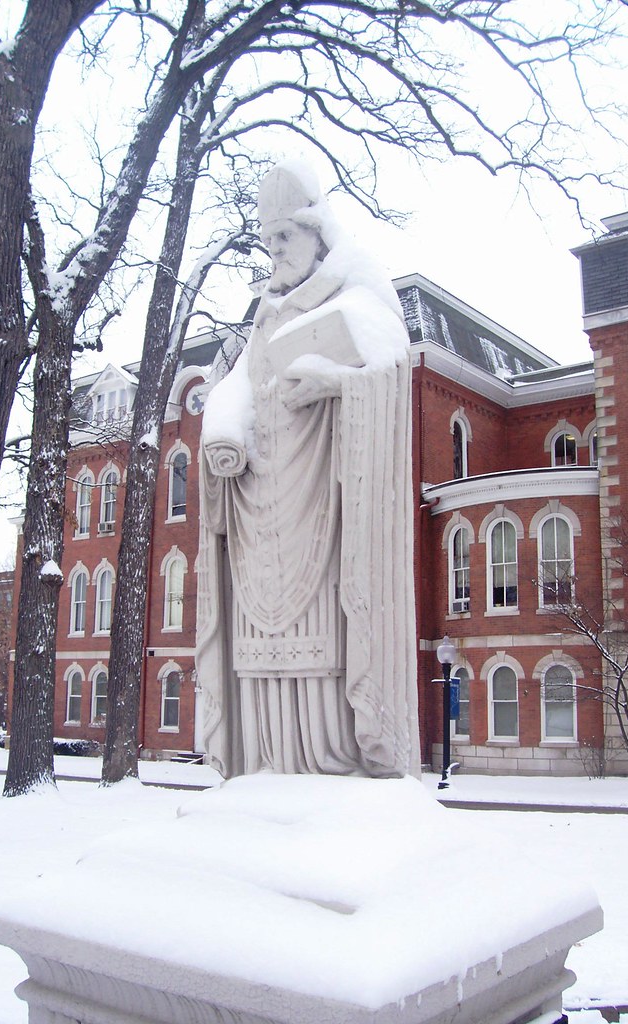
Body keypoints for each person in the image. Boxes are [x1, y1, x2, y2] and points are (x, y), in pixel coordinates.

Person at [196, 160, 419, 779]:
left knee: (325, 639)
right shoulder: (266, 315)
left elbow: (390, 374)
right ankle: (265, 764)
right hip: (257, 511)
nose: (274, 252)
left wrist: (336, 383)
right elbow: (237, 389)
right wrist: (224, 435)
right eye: (266, 242)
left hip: (325, 506)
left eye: (284, 238)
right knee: (258, 651)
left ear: (317, 233)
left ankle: (332, 761)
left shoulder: (359, 289)